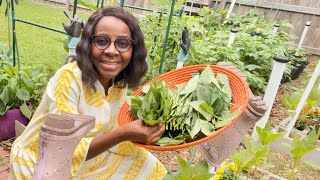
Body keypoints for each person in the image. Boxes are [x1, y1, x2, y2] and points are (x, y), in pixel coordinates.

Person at [10, 6, 167, 179]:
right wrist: (124, 134)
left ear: (133, 50)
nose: (111, 51)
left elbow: (111, 132)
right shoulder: (69, 78)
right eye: (101, 41)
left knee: (150, 166)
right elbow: (62, 149)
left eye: (122, 44)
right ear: (88, 44)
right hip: (42, 163)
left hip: (87, 156)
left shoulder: (118, 84)